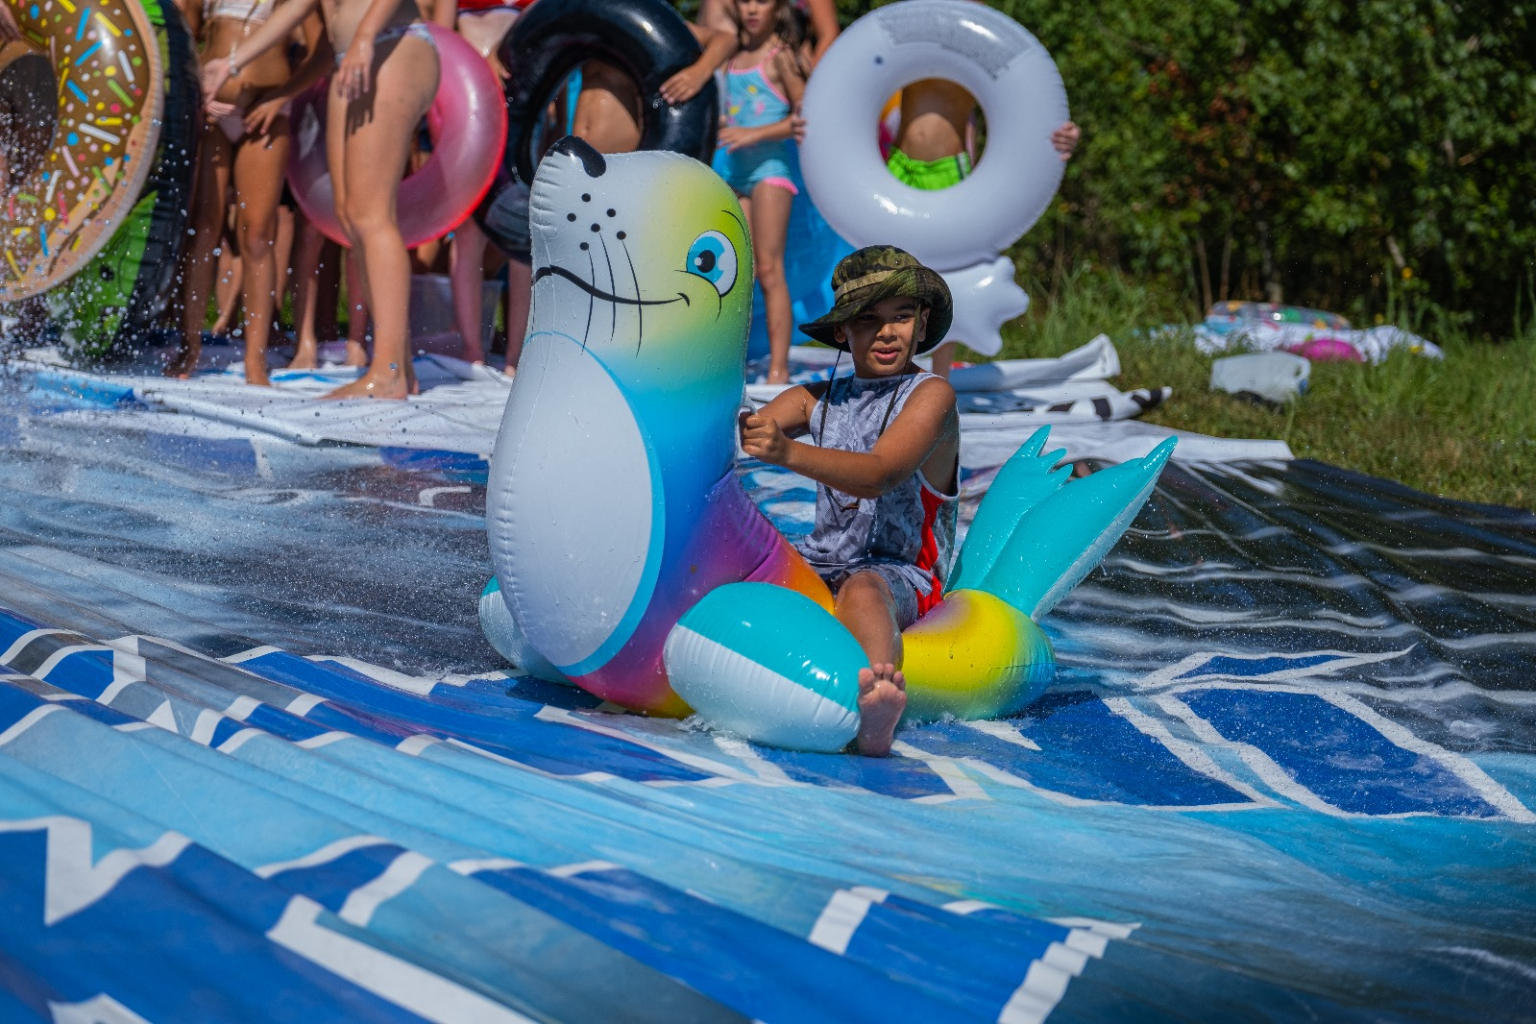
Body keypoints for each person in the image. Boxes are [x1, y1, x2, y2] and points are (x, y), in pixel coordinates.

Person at [740, 246, 959, 757]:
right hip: (822, 561)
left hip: (901, 572)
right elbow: (751, 426)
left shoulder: (931, 396)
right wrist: (744, 425)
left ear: (922, 324)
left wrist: (786, 452)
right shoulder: (816, 398)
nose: (887, 333)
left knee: (862, 588)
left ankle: (876, 706)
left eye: (901, 316)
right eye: (868, 320)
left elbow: (880, 474)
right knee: (750, 558)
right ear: (842, 331)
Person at [203, 0, 443, 399]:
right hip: (353, 57)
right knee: (350, 214)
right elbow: (297, 7)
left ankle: (388, 372)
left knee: (371, 215)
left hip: (390, 45)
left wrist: (365, 36)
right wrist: (231, 63)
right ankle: (399, 366)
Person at [168, 0, 330, 382]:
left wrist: (282, 97)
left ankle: (255, 358)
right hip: (212, 110)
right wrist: (194, 90)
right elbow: (183, 34)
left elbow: (324, 52)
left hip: (265, 111)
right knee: (203, 228)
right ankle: (190, 345)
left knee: (257, 234)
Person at [889, 78, 1080, 379]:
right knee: (893, 275)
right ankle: (894, 375)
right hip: (897, 164)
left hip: (947, 170)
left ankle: (941, 380)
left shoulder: (973, 55)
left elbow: (1027, 104)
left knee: (945, 279)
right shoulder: (907, 50)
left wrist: (1061, 133)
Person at [715, 0, 806, 385]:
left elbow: (804, 119)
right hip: (735, 174)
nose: (752, 8)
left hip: (770, 171)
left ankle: (778, 369)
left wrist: (752, 133)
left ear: (778, 7)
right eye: (745, 0)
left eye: (762, 1)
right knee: (739, 275)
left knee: (769, 269)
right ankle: (730, 364)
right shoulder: (730, 58)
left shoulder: (781, 57)